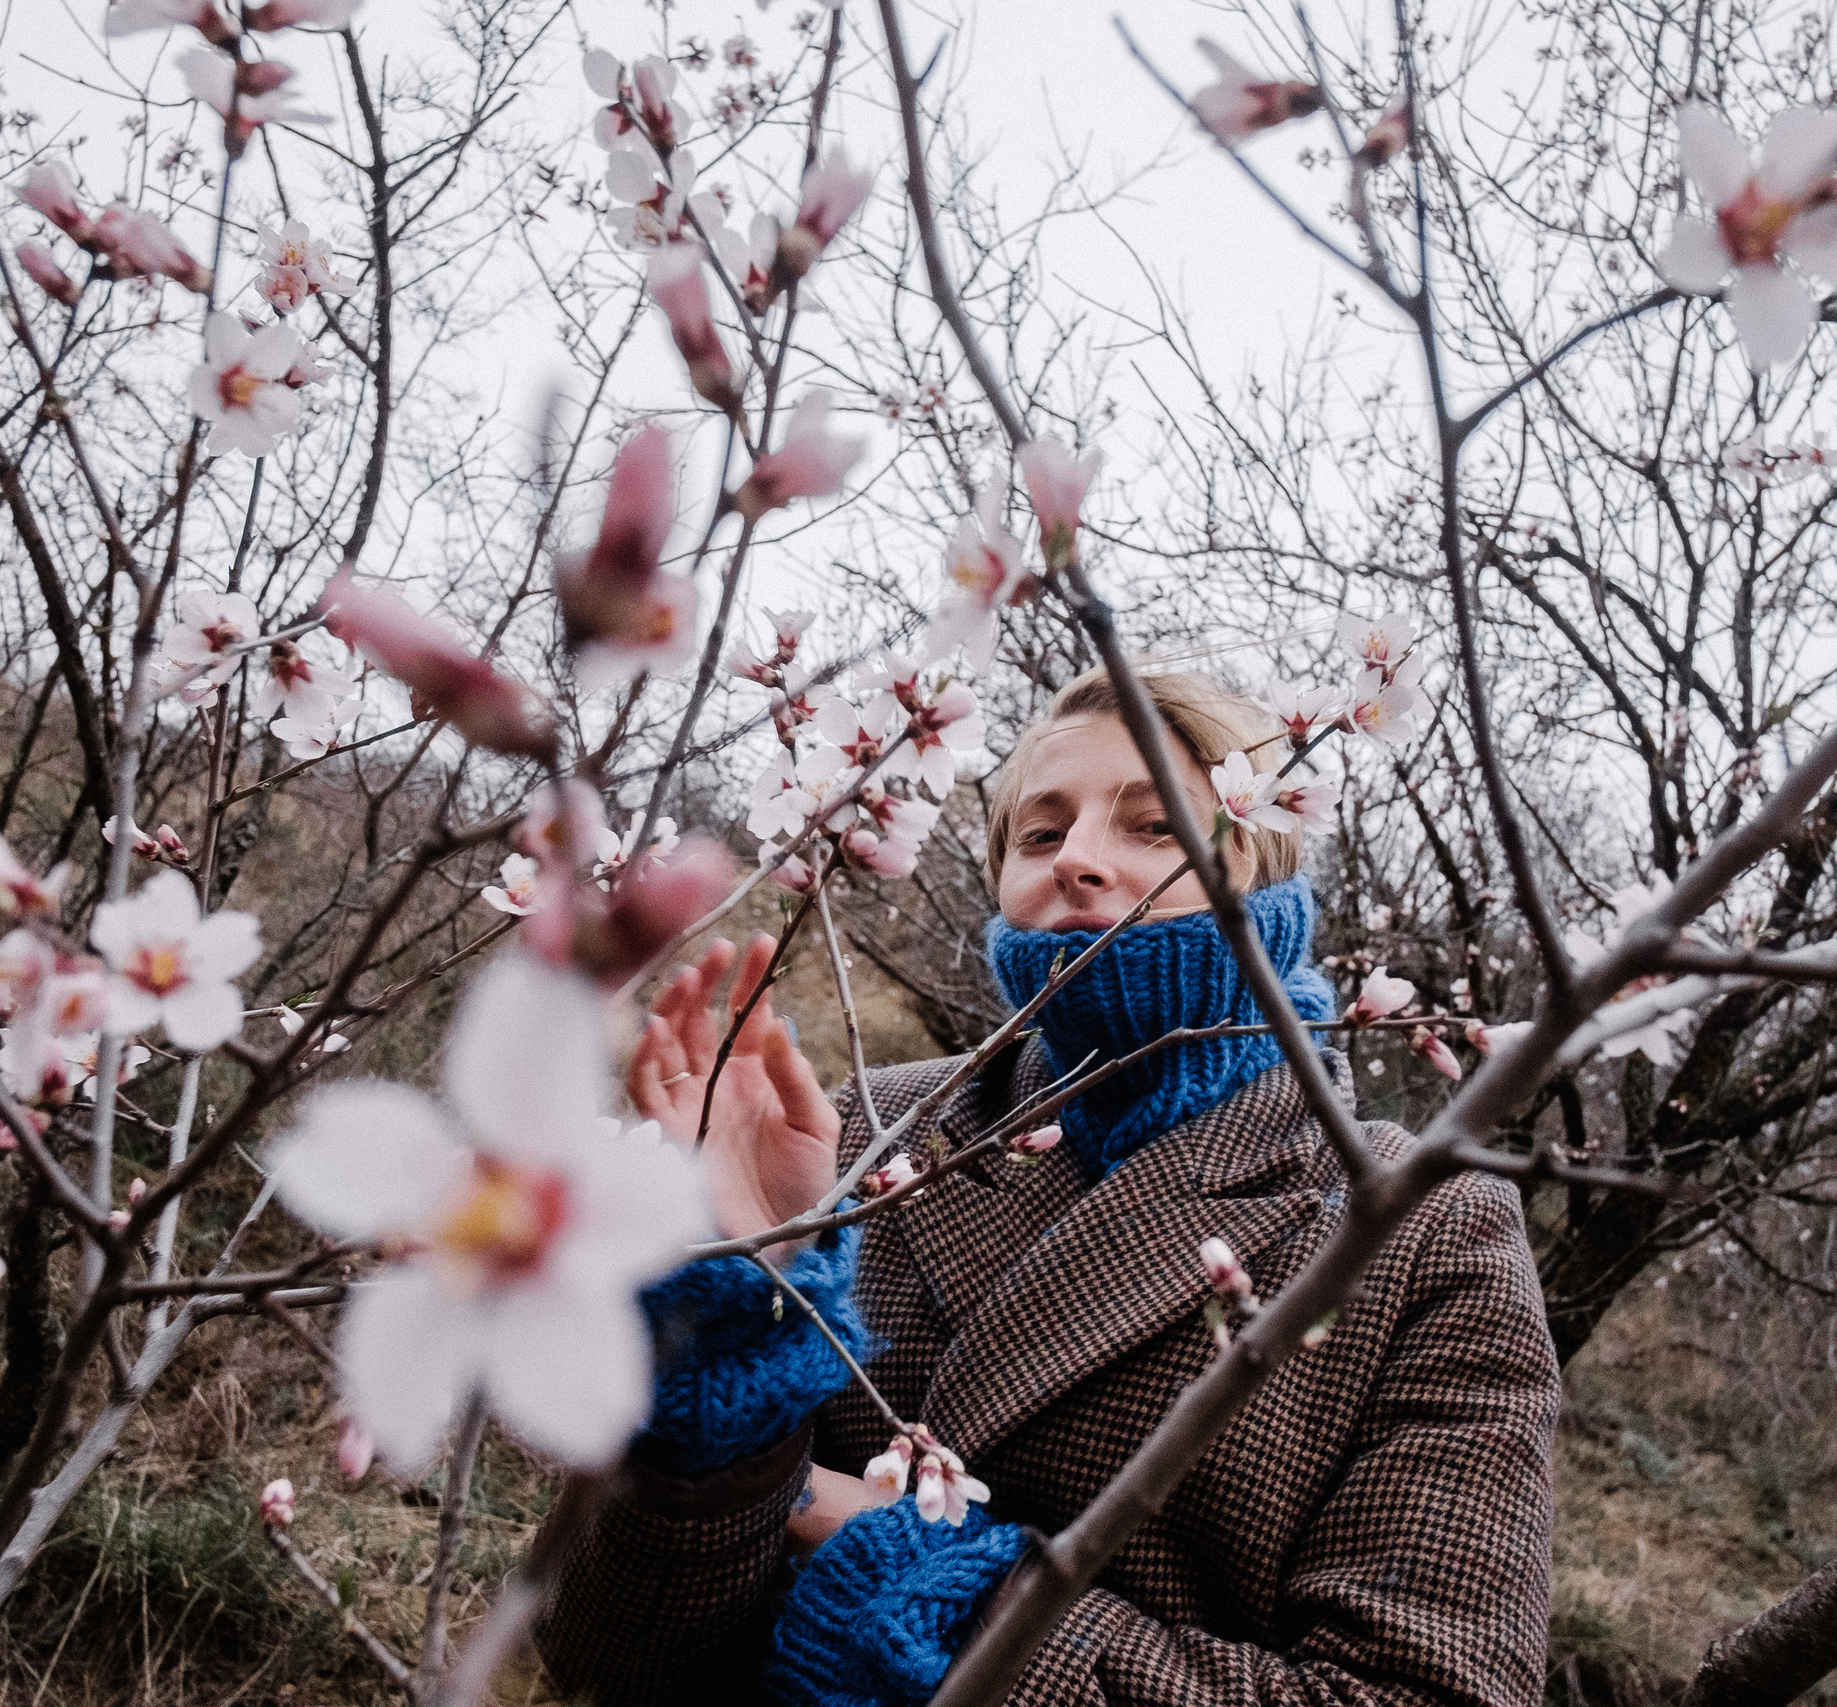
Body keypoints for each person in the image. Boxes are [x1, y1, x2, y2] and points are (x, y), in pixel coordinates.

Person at [535, 666, 1559, 1706]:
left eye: (1155, 827)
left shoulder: (1417, 1225)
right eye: (1039, 832)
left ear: (1263, 872)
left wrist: (942, 1589)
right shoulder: (862, 1136)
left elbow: (1429, 1692)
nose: (1075, 859)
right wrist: (737, 1324)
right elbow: (607, 1665)